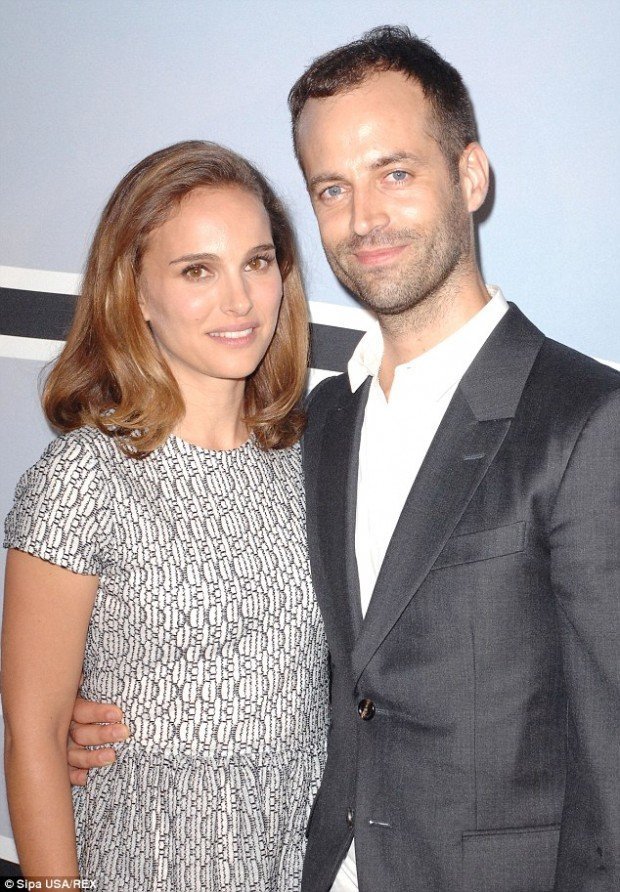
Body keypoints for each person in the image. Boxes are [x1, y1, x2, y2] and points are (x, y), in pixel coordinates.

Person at [67, 25, 620, 892]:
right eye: (333, 187)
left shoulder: (586, 419)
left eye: (395, 173)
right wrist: (104, 711)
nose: (364, 219)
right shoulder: (319, 421)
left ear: (470, 176)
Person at [2, 140, 329, 890]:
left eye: (256, 262)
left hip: (296, 867)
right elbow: (34, 735)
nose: (239, 301)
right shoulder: (83, 478)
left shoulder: (315, 462)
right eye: (196, 271)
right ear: (135, 293)